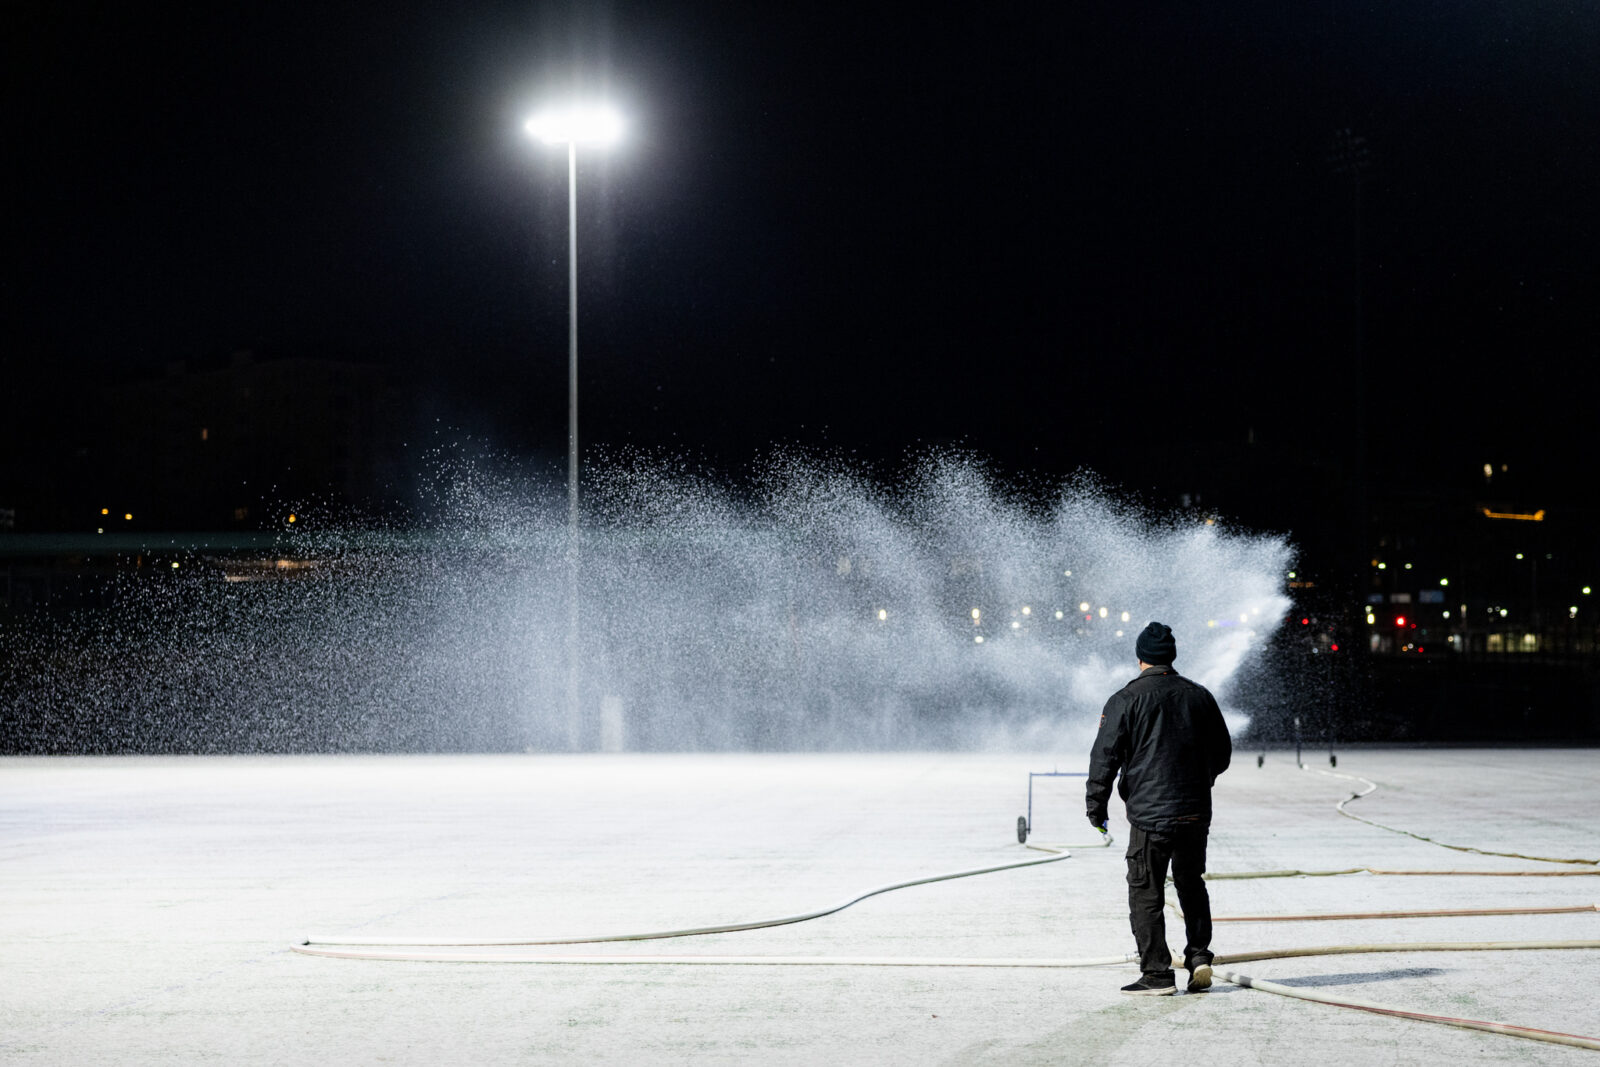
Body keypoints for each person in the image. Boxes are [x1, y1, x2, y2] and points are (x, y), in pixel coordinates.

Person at [1086, 621, 1232, 996]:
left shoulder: (1125, 699)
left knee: (1146, 891)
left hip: (1150, 816)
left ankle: (1157, 973)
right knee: (1191, 884)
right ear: (1172, 657)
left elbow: (1105, 756)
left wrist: (1096, 806)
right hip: (1195, 811)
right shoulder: (1200, 696)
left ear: (1140, 659)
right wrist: (1201, 781)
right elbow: (1222, 753)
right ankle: (1199, 957)